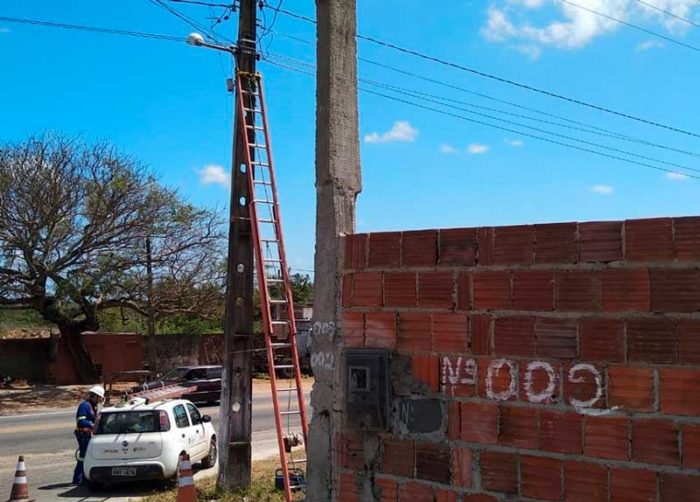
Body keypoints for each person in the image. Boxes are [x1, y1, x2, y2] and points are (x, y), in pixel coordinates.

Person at [72, 385, 104, 485]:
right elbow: (81, 421)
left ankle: (82, 477)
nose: (101, 400)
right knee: (83, 456)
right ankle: (78, 479)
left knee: (85, 455)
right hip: (83, 434)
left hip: (87, 433)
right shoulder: (85, 406)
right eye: (100, 397)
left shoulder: (93, 405)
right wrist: (92, 425)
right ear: (95, 396)